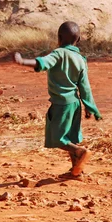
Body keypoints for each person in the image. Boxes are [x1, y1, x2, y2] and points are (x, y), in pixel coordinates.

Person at [13, 21, 102, 178]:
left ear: (59, 38)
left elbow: (43, 63)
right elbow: (85, 86)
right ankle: (76, 171)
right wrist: (89, 106)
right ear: (79, 40)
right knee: (69, 137)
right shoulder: (81, 59)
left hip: (61, 104)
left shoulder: (59, 53)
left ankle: (81, 152)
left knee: (58, 138)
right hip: (75, 104)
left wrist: (22, 61)